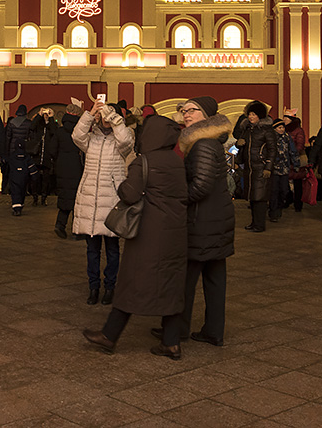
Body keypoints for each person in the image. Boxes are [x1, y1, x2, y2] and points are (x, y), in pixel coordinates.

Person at [83, 115, 188, 359]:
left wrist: (121, 182)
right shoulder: (176, 160)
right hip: (175, 231)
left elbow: (129, 194)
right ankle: (171, 342)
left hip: (148, 232)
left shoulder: (144, 162)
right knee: (171, 284)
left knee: (131, 281)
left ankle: (109, 335)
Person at [177, 96, 233, 347]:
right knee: (214, 279)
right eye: (184, 110)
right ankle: (213, 331)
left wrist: (177, 201)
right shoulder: (209, 142)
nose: (186, 114)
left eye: (192, 110)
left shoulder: (202, 144)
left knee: (186, 279)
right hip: (216, 220)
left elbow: (200, 186)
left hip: (202, 222)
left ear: (206, 115)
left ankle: (176, 329)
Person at [72, 100, 133, 305]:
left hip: (112, 199)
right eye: (104, 115)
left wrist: (115, 119)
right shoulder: (91, 139)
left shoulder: (121, 139)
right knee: (92, 250)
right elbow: (76, 136)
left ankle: (110, 286)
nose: (105, 119)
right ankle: (93, 286)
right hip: (91, 198)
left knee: (113, 249)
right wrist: (90, 114)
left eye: (110, 115)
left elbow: (126, 141)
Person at [233, 101, 276, 232]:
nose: (251, 117)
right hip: (249, 167)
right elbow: (243, 146)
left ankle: (260, 224)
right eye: (250, 114)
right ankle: (254, 222)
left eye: (253, 114)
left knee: (260, 198)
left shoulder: (267, 130)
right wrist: (238, 144)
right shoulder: (247, 129)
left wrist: (268, 167)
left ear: (260, 116)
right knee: (252, 197)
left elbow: (272, 149)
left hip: (261, 167)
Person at [53, 101, 85, 239]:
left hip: (62, 167)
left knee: (65, 196)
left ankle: (60, 224)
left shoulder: (59, 131)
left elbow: (52, 150)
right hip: (77, 166)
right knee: (78, 199)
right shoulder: (80, 131)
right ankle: (77, 230)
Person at [4, 104, 35, 216]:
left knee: (14, 176)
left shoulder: (11, 123)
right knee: (24, 175)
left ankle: (15, 201)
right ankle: (22, 196)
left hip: (13, 151)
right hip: (24, 151)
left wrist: (7, 153)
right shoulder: (28, 123)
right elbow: (31, 137)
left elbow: (8, 138)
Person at [269, 118, 299, 221]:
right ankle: (273, 212)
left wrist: (296, 164)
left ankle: (279, 208)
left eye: (283, 127)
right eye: (279, 127)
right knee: (274, 191)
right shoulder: (271, 138)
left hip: (285, 169)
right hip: (273, 169)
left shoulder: (287, 138)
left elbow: (293, 151)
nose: (282, 129)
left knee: (284, 190)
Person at [27, 107, 58, 206]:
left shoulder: (52, 125)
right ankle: (35, 197)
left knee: (46, 179)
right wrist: (38, 115)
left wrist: (51, 118)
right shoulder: (38, 125)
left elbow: (54, 132)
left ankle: (44, 198)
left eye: (47, 114)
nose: (45, 115)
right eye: (44, 114)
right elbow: (31, 127)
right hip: (37, 154)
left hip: (47, 156)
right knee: (34, 178)